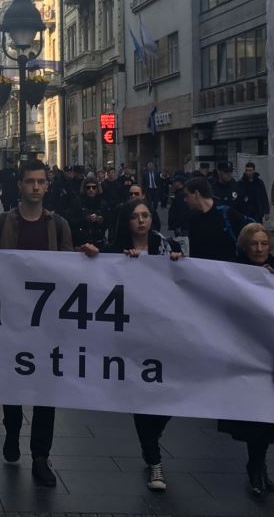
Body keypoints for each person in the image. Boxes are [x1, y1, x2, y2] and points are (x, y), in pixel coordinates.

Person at [78, 199, 181, 491]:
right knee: (142, 398)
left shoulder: (167, 247)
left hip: (164, 334)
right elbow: (97, 275)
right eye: (135, 216)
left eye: (146, 215)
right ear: (126, 221)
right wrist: (94, 256)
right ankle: (154, 460)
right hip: (131, 338)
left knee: (170, 395)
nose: (142, 220)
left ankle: (152, 438)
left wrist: (177, 262)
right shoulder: (116, 251)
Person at [0, 160, 73, 488]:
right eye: (30, 181)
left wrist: (89, 257)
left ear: (47, 186)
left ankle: (40, 456)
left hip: (47, 321)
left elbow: (70, 269)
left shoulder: (58, 225)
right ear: (19, 185)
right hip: (11, 318)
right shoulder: (1, 222)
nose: (36, 187)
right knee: (12, 383)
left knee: (46, 388)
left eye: (41, 181)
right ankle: (12, 428)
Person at [218, 224, 274, 497]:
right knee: (253, 417)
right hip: (245, 356)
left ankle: (258, 464)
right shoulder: (235, 270)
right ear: (245, 246)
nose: (260, 249)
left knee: (267, 416)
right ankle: (255, 466)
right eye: (254, 244)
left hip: (272, 357)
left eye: (264, 244)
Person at [184, 176, 250, 262]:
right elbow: (194, 254)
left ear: (197, 194)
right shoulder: (193, 219)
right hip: (204, 269)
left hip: (231, 268)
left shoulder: (227, 214)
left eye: (187, 195)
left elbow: (249, 241)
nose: (185, 200)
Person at [72, 177, 110, 250]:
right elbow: (72, 220)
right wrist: (86, 219)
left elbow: (109, 222)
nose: (91, 190)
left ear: (97, 188)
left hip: (99, 240)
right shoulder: (78, 202)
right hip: (82, 240)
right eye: (88, 187)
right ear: (84, 189)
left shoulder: (103, 203)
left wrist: (101, 220)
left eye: (94, 187)